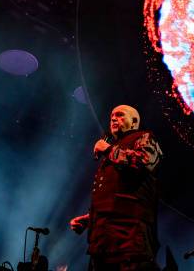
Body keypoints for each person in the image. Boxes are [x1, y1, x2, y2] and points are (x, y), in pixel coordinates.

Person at [70, 105, 163, 271]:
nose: (113, 118)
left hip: (129, 236)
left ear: (134, 121)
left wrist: (109, 149)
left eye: (120, 115)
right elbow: (114, 193)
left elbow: (144, 162)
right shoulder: (113, 151)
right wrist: (89, 218)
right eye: (112, 115)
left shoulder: (144, 137)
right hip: (102, 239)